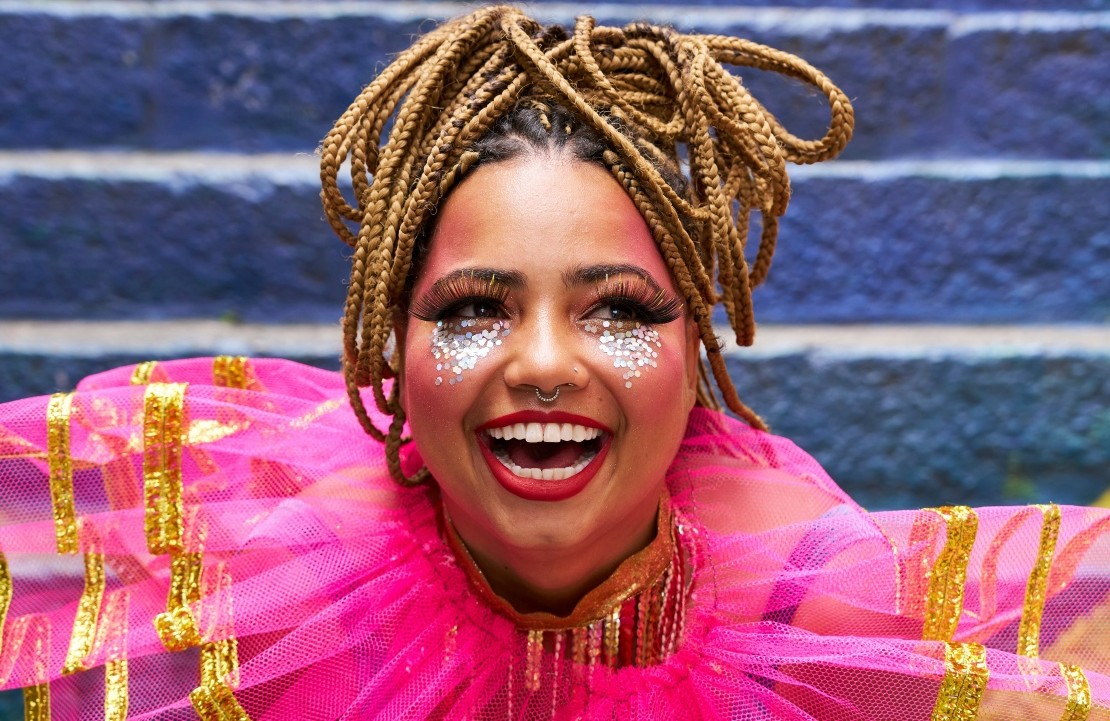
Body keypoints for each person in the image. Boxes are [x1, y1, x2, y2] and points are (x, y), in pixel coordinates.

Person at [0, 6, 1107, 719]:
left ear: (691, 347)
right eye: (474, 308)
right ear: (393, 348)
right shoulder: (295, 588)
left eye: (615, 309)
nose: (542, 362)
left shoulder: (811, 602)